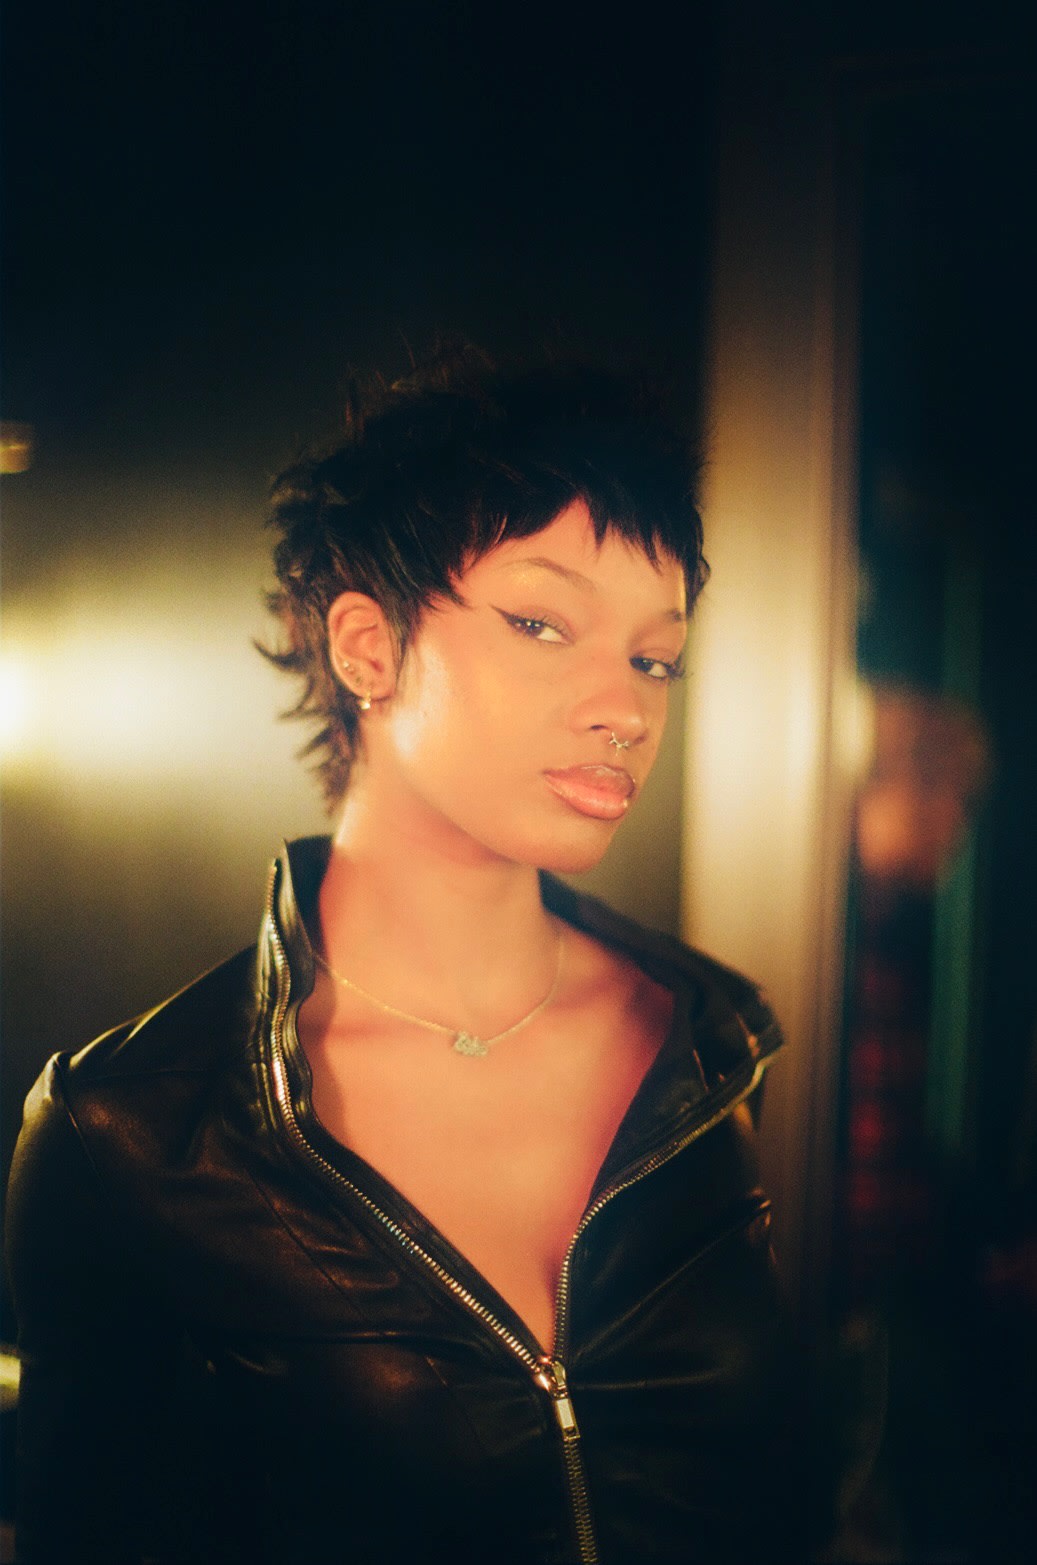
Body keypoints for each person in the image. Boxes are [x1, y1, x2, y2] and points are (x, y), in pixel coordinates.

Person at [5, 347, 804, 1563]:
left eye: (653, 656)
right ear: (367, 646)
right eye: (541, 623)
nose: (625, 708)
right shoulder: (130, 1131)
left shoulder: (710, 1050)